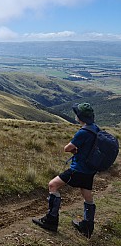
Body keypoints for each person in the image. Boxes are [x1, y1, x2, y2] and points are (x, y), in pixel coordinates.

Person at [32, 102, 98, 238]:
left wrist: (74, 149)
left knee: (53, 185)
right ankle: (87, 226)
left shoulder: (83, 132)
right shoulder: (95, 129)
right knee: (87, 194)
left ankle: (51, 220)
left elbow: (67, 148)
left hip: (78, 169)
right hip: (90, 169)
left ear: (80, 117)